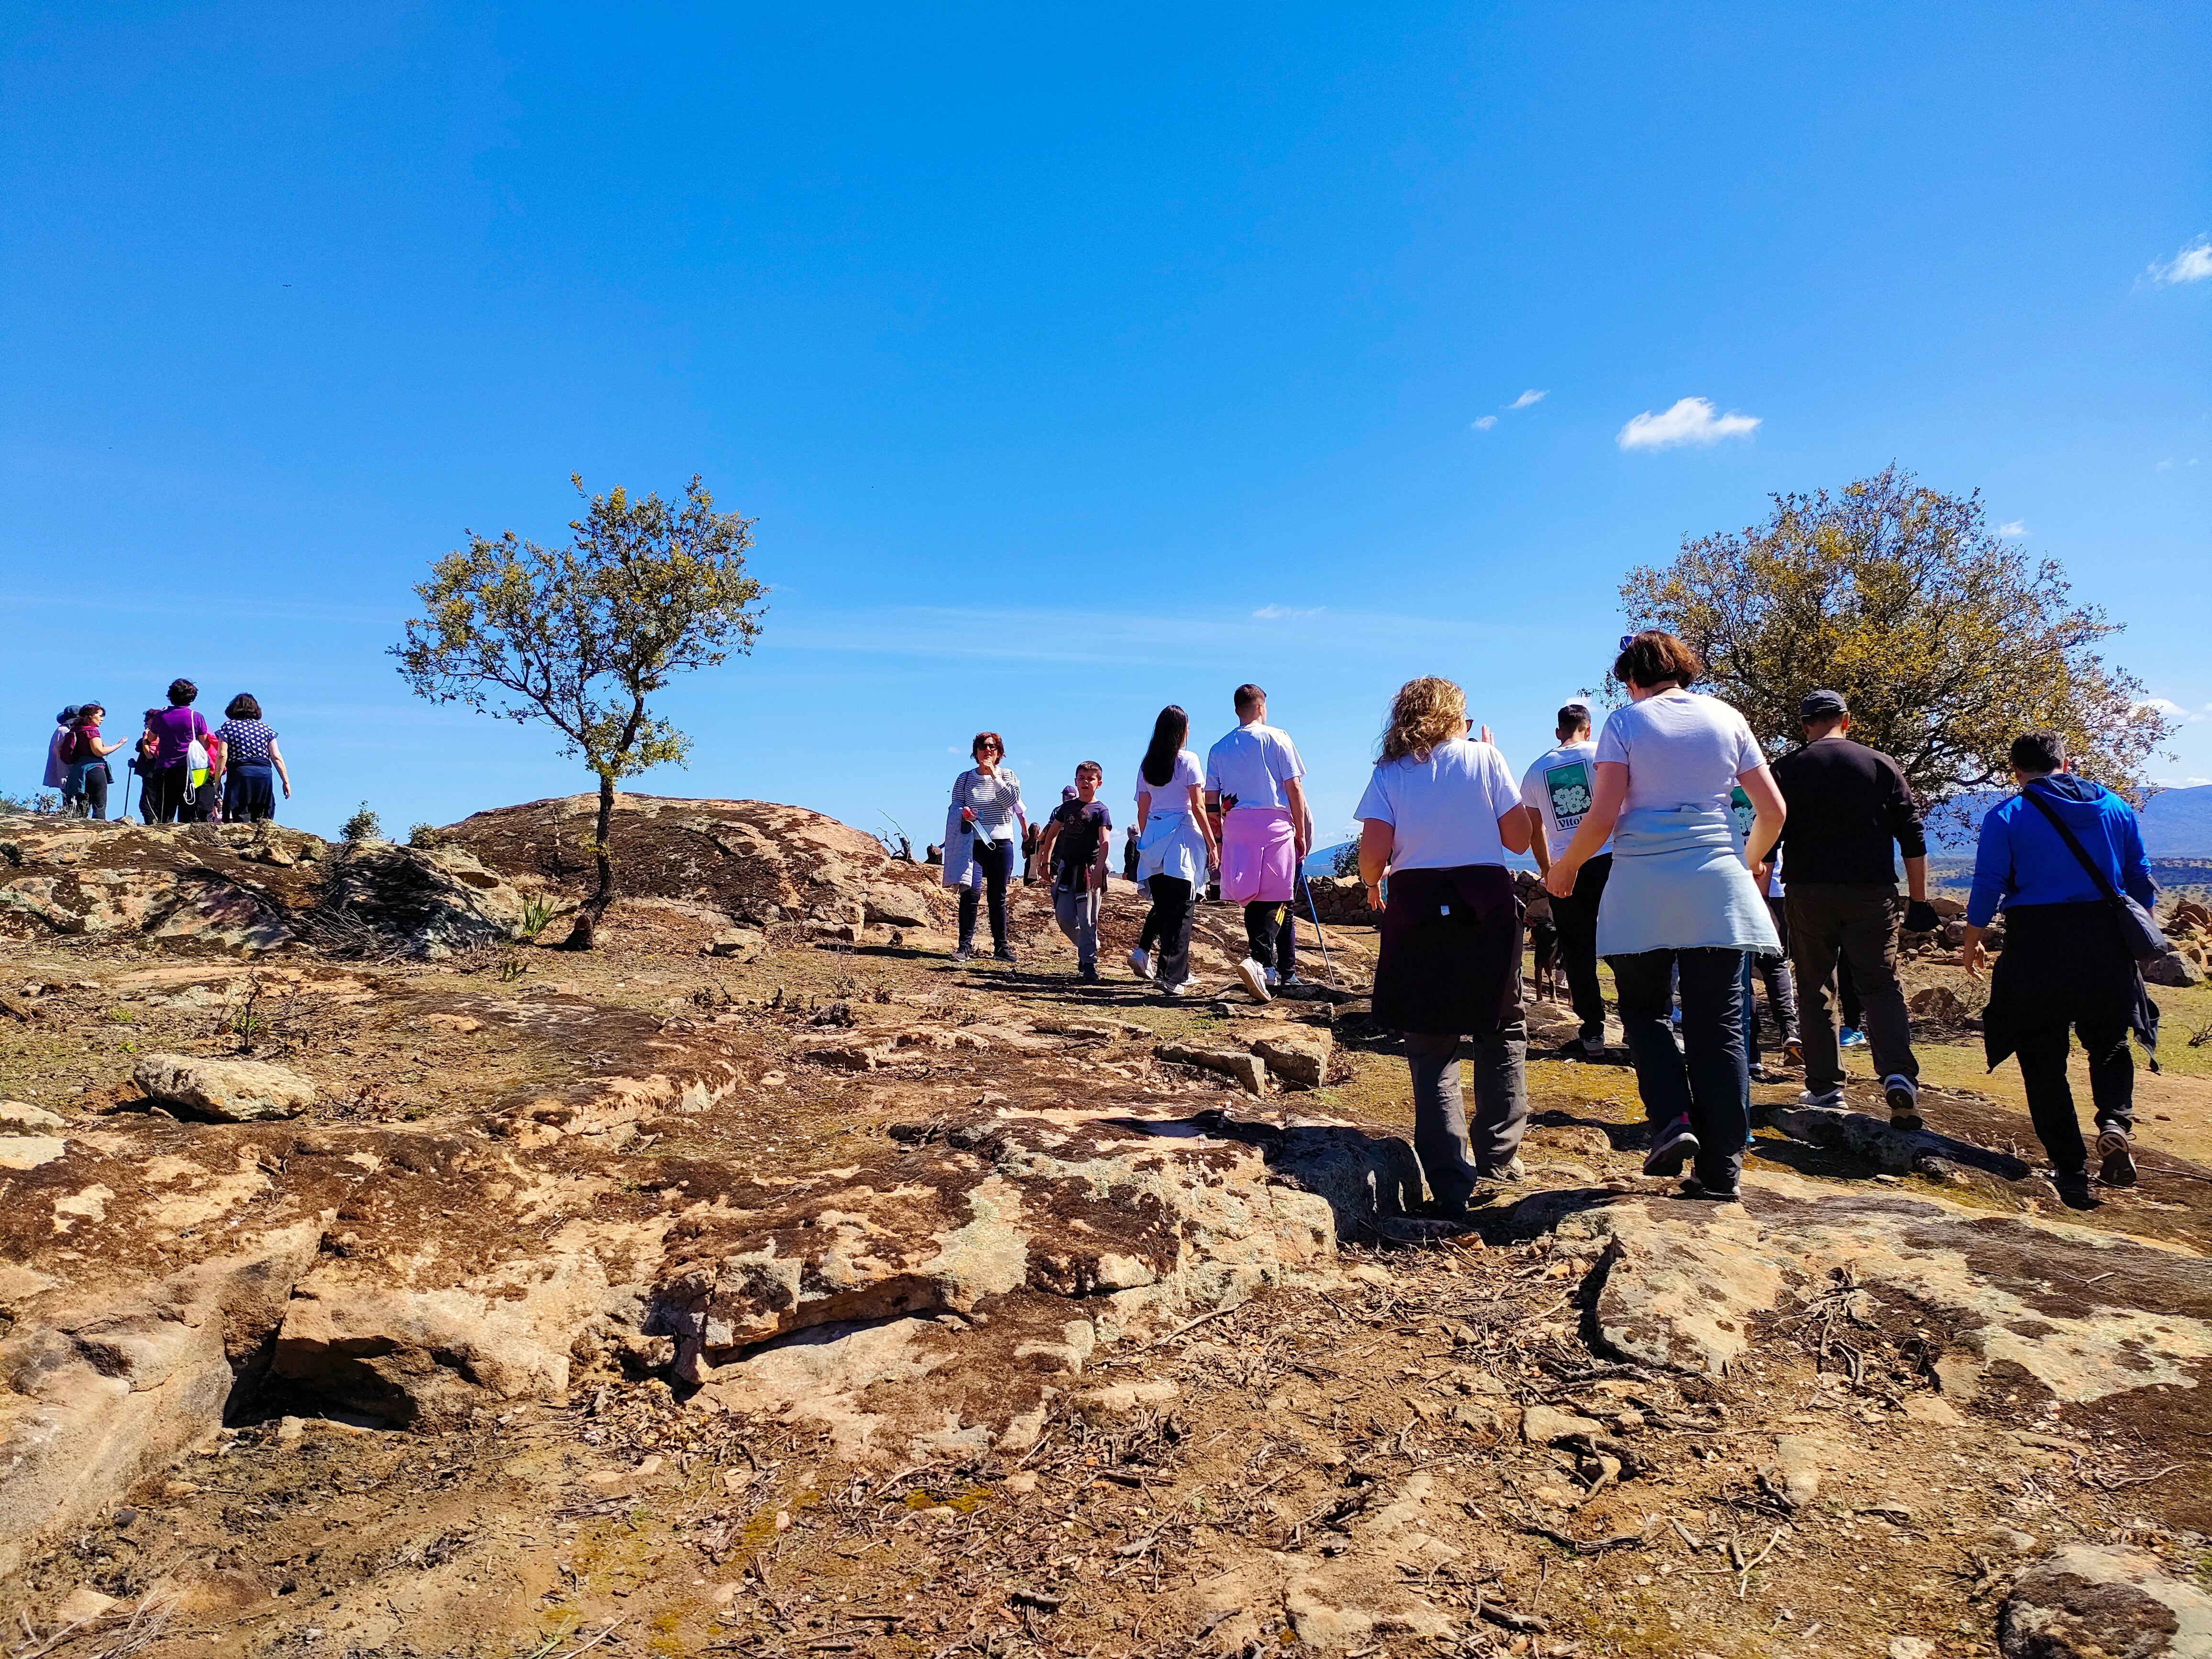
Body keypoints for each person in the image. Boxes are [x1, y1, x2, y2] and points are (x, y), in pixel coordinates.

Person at [1544, 632, 1784, 1201]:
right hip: (1717, 886)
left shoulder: (1625, 724)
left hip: (1642, 884)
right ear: (1684, 671)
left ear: (1630, 680)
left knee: (1646, 1013)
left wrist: (1566, 867)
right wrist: (1742, 862)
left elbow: (1602, 814)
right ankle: (1722, 1167)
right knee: (1720, 1024)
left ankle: (1673, 1122)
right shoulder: (1728, 717)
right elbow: (1773, 810)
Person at [1357, 677, 1533, 1216]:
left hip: (1417, 907)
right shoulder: (1485, 760)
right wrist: (1494, 759)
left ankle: (1450, 1180)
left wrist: (1371, 885)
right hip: (1485, 903)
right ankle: (1499, 1156)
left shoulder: (1388, 773)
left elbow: (1372, 855)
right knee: (1501, 1025)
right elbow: (1520, 839)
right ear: (1457, 714)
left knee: (1431, 1041)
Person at [1963, 730, 2156, 1208]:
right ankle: (2113, 1121)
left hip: (2037, 941)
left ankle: (2070, 1165)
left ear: (2016, 771)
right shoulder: (2114, 808)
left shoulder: (2006, 815)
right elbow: (2139, 876)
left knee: (2040, 1055)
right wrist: (2140, 933)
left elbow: (1989, 883)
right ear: (2064, 764)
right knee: (2108, 1040)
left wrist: (1973, 941)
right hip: (2103, 937)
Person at [1768, 690, 1940, 1129]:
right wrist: (1918, 902)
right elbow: (1913, 837)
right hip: (1872, 893)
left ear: (1805, 725)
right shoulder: (1881, 764)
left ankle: (1825, 1088)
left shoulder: (1787, 769)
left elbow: (1767, 840)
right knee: (1880, 984)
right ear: (1847, 720)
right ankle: (1898, 1075)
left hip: (1807, 893)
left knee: (1815, 987)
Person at [1205, 684, 1311, 1003]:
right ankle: (1265, 964)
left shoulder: (1219, 748)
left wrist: (1219, 839)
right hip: (1274, 824)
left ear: (1237, 709)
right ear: (1262, 707)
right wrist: (1302, 832)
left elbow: (1211, 800)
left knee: (1252, 898)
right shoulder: (1279, 738)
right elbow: (1294, 789)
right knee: (1281, 899)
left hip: (1236, 825)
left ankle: (1274, 969)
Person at [1522, 701, 1611, 1056]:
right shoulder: (1603, 756)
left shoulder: (1535, 770)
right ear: (1588, 729)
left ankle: (1592, 1032)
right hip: (1611, 860)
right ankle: (1642, 1029)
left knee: (1577, 952)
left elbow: (1533, 829)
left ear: (1558, 732)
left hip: (1565, 870)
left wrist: (1547, 870)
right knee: (1626, 945)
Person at [1130, 706, 1218, 996]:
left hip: (1155, 838)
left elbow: (1142, 809)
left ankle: (1172, 971)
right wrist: (1212, 842)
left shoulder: (1148, 764)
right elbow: (1198, 806)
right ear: (1182, 731)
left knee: (1166, 908)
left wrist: (1147, 841)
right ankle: (1172, 976)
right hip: (1181, 837)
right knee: (1182, 910)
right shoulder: (1188, 760)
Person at [941, 732, 1027, 962]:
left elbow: (1012, 801)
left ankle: (1001, 948)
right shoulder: (965, 779)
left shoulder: (1009, 775)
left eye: (992, 746)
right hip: (973, 842)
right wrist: (964, 814)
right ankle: (964, 946)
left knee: (997, 896)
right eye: (982, 746)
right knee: (971, 892)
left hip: (1001, 842)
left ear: (1000, 752)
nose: (987, 750)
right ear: (975, 751)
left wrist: (995, 777)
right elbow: (955, 807)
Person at [1037, 767, 1114, 983]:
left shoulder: (1101, 811)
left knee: (1089, 919)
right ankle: (1088, 946)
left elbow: (1105, 841)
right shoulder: (1067, 808)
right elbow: (1051, 835)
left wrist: (1099, 868)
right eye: (1082, 778)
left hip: (1089, 870)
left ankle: (1089, 964)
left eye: (1091, 779)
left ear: (1099, 783)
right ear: (1076, 781)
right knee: (1064, 916)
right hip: (1066, 869)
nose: (1086, 782)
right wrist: (1044, 861)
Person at [142, 680, 215, 825]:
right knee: (188, 808)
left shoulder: (161, 717)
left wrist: (146, 737)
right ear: (192, 697)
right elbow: (205, 743)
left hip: (164, 768)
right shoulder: (196, 717)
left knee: (165, 810)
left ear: (171, 696)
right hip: (189, 770)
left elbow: (152, 738)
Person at [214, 695, 291, 823]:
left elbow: (222, 755)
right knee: (262, 819)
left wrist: (217, 781)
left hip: (240, 775)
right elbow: (276, 756)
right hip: (264, 776)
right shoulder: (266, 729)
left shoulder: (228, 727)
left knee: (241, 818)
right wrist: (286, 782)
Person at [58, 704, 127, 820]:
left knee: (82, 806)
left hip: (77, 772)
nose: (102, 719)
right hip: (94, 770)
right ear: (90, 717)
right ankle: (100, 830)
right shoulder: (92, 731)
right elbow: (99, 751)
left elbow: (57, 749)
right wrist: (119, 745)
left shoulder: (74, 731)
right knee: (99, 804)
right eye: (100, 716)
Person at [43, 706, 80, 799]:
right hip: (66, 771)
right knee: (70, 797)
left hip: (67, 771)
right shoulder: (64, 731)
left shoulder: (65, 730)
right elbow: (62, 755)